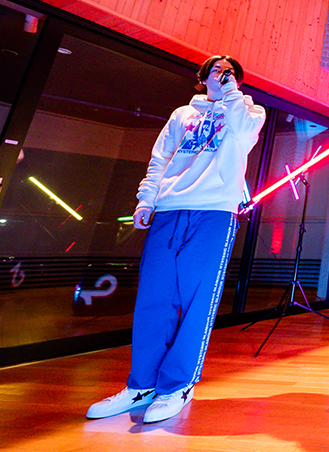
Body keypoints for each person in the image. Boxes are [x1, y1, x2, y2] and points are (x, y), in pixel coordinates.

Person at [87, 55, 266, 424]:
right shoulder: (182, 115)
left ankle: (177, 386)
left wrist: (232, 94)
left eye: (230, 71)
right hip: (169, 209)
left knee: (197, 302)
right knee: (153, 300)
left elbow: (243, 132)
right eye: (216, 69)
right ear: (202, 78)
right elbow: (160, 160)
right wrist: (146, 200)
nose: (223, 74)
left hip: (215, 212)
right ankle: (141, 385)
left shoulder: (249, 111)